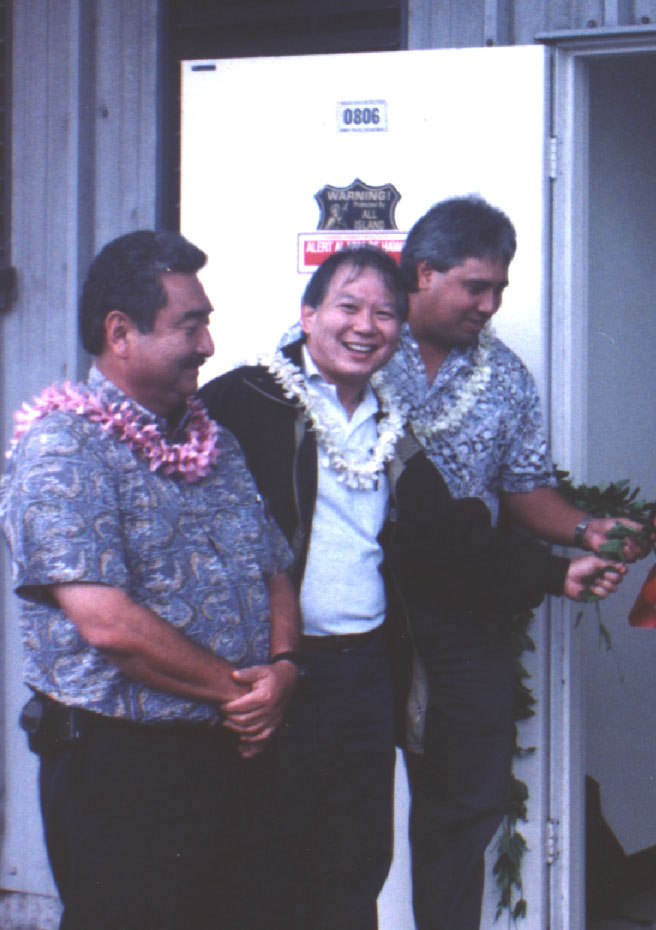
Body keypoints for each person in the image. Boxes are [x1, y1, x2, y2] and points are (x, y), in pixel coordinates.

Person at [199, 246, 624, 930]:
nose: (366, 325)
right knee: (263, 857)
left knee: (354, 859)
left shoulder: (390, 431)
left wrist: (556, 570)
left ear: (400, 331)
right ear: (307, 316)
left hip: (363, 670)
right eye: (348, 306)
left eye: (385, 313)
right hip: (275, 669)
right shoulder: (243, 401)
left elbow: (448, 538)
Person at [0, 230, 301, 930]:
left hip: (234, 753)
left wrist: (283, 671)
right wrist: (245, 695)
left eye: (206, 323)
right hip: (125, 770)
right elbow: (107, 623)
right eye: (190, 325)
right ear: (119, 332)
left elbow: (274, 568)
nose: (208, 345)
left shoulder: (212, 441)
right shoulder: (62, 447)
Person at [383, 195, 647, 930]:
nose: (490, 304)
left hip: (470, 605)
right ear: (424, 271)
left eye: (500, 288)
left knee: (465, 799)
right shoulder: (359, 342)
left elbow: (524, 489)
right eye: (476, 286)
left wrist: (589, 530)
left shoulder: (505, 376)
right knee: (346, 796)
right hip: (366, 607)